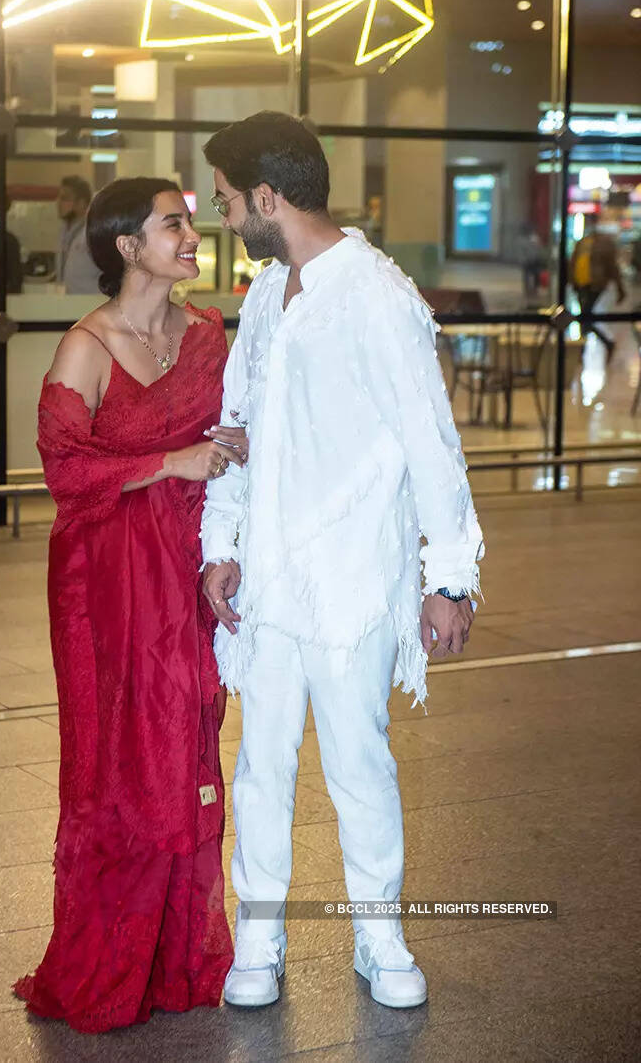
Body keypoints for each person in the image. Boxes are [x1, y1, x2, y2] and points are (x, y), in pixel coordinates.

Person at [199, 112, 485, 1011]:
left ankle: (379, 935)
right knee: (261, 768)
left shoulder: (375, 294)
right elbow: (234, 431)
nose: (219, 213)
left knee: (359, 763)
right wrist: (222, 544)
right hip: (271, 583)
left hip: (356, 577)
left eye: (226, 198)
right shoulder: (264, 297)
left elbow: (433, 445)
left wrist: (449, 578)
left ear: (268, 198)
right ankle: (260, 938)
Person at [13, 177, 245, 1032]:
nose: (192, 236)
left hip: (188, 567)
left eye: (190, 221)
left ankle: (180, 959)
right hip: (106, 583)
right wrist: (168, 463)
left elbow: (240, 427)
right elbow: (65, 475)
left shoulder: (209, 335)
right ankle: (109, 962)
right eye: (173, 225)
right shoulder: (87, 347)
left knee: (189, 738)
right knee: (122, 759)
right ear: (126, 247)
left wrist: (229, 453)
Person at [569, 214, 627, 362]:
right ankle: (583, 349)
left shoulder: (604, 243)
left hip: (595, 284)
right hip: (580, 283)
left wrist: (620, 288)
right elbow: (574, 262)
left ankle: (601, 344)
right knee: (584, 317)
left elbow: (612, 267)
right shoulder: (582, 242)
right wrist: (572, 280)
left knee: (585, 317)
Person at [56, 174, 102, 294]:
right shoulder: (64, 231)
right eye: (58, 197)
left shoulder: (94, 232)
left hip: (89, 303)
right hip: (68, 302)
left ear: (81, 203)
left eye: (64, 198)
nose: (58, 202)